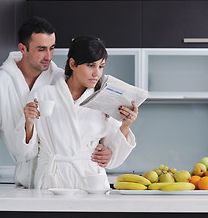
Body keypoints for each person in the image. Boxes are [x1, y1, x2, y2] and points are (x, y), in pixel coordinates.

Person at [0, 17, 112, 188]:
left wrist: (107, 149)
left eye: (52, 48)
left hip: (62, 179)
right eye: (41, 49)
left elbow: (85, 121)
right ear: (23, 49)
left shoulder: (60, 80)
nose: (48, 56)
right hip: (27, 177)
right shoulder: (2, 82)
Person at [23, 36, 137, 189]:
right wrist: (29, 122)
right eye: (91, 65)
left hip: (90, 181)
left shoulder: (103, 100)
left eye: (101, 66)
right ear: (73, 64)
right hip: (52, 179)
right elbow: (27, 152)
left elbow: (113, 159)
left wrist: (125, 126)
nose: (97, 73)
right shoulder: (43, 95)